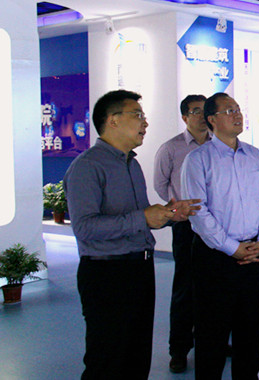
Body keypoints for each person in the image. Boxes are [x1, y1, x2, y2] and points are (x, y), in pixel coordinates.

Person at [63, 89, 199, 379]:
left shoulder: (131, 163)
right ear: (112, 120)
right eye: (137, 115)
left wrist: (169, 215)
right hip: (107, 275)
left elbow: (139, 219)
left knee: (137, 358)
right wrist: (143, 217)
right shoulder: (87, 167)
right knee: (107, 360)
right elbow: (84, 227)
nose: (145, 123)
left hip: (140, 269)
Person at [181, 92, 259, 379]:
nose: (237, 115)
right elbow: (198, 212)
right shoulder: (198, 160)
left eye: (238, 109)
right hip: (215, 257)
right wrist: (232, 248)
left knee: (250, 331)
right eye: (229, 110)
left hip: (253, 254)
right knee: (212, 333)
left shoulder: (254, 155)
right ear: (211, 119)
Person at [154, 94, 211, 373]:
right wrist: (178, 209)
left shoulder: (218, 145)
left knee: (214, 287)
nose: (201, 116)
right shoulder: (171, 148)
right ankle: (179, 349)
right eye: (195, 111)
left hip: (216, 226)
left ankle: (213, 341)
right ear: (184, 116)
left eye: (205, 110)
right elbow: (160, 184)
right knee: (185, 289)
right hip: (186, 226)